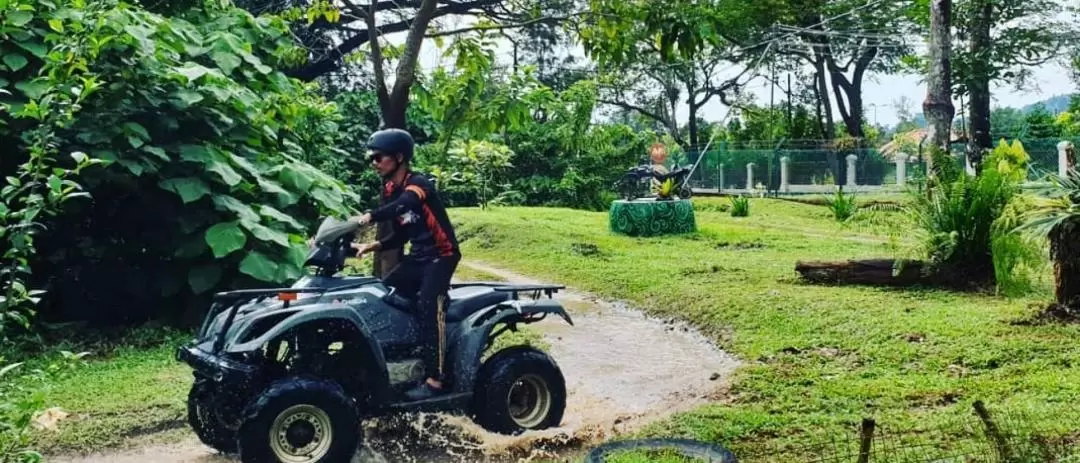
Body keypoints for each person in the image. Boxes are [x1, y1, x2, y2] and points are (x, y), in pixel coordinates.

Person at [349, 128, 461, 401]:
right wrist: (372, 246)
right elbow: (401, 232)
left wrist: (369, 216)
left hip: (442, 255)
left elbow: (405, 205)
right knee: (387, 295)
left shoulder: (418, 184)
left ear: (399, 157)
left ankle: (436, 379)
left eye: (378, 158)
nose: (374, 164)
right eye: (371, 159)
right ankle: (406, 354)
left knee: (428, 305)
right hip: (419, 256)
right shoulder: (391, 189)